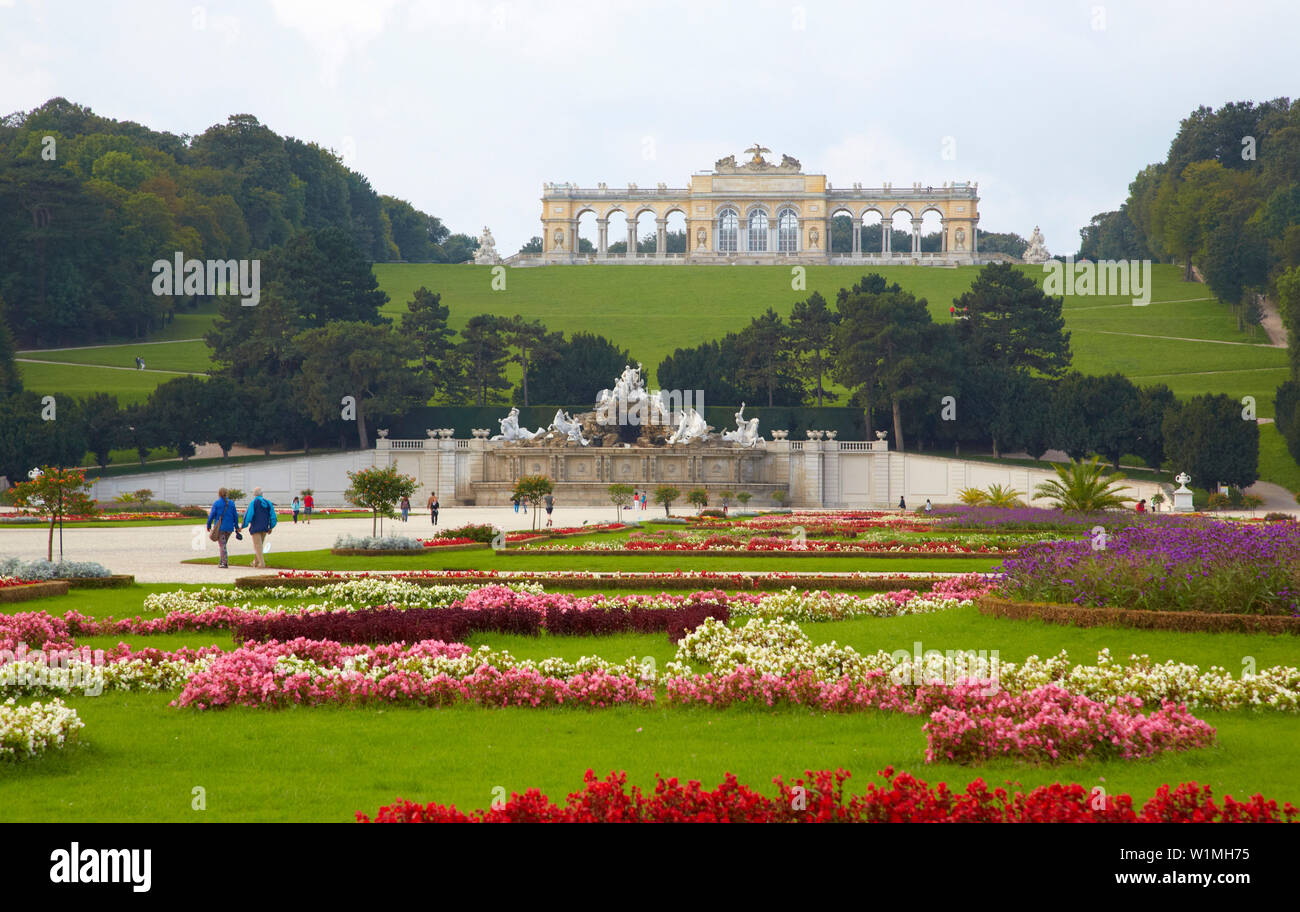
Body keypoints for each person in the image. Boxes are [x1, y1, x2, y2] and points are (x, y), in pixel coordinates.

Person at [241, 486, 277, 569]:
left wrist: (243, 526)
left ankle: (261, 563)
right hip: (265, 527)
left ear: (254, 494)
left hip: (256, 527)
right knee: (259, 545)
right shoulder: (268, 503)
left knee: (257, 546)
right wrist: (271, 526)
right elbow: (273, 516)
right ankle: (255, 562)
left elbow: (248, 516)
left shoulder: (253, 503)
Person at [206, 487, 238, 569]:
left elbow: (212, 515)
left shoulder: (217, 503)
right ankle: (222, 561)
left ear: (219, 494)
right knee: (223, 544)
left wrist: (208, 525)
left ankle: (224, 562)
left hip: (220, 527)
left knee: (222, 545)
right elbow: (235, 516)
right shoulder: (231, 503)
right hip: (229, 528)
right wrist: (236, 527)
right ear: (227, 493)